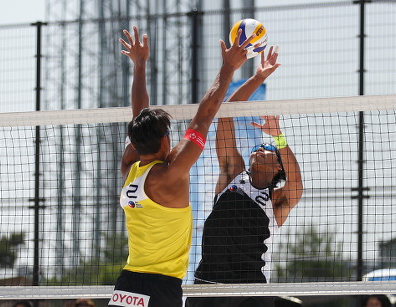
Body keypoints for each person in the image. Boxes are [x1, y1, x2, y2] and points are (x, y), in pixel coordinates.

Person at [108, 25, 253, 307]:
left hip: (128, 282)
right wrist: (228, 67)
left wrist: (139, 66)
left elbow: (140, 116)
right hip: (161, 285)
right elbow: (205, 115)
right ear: (164, 139)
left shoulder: (130, 168)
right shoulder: (169, 174)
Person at [185, 46, 303, 307]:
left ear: (278, 168)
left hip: (250, 292)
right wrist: (259, 77)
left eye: (268, 149)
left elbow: (297, 185)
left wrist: (278, 137)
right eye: (259, 146)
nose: (259, 148)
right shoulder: (232, 175)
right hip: (208, 288)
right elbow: (227, 111)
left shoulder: (276, 201)